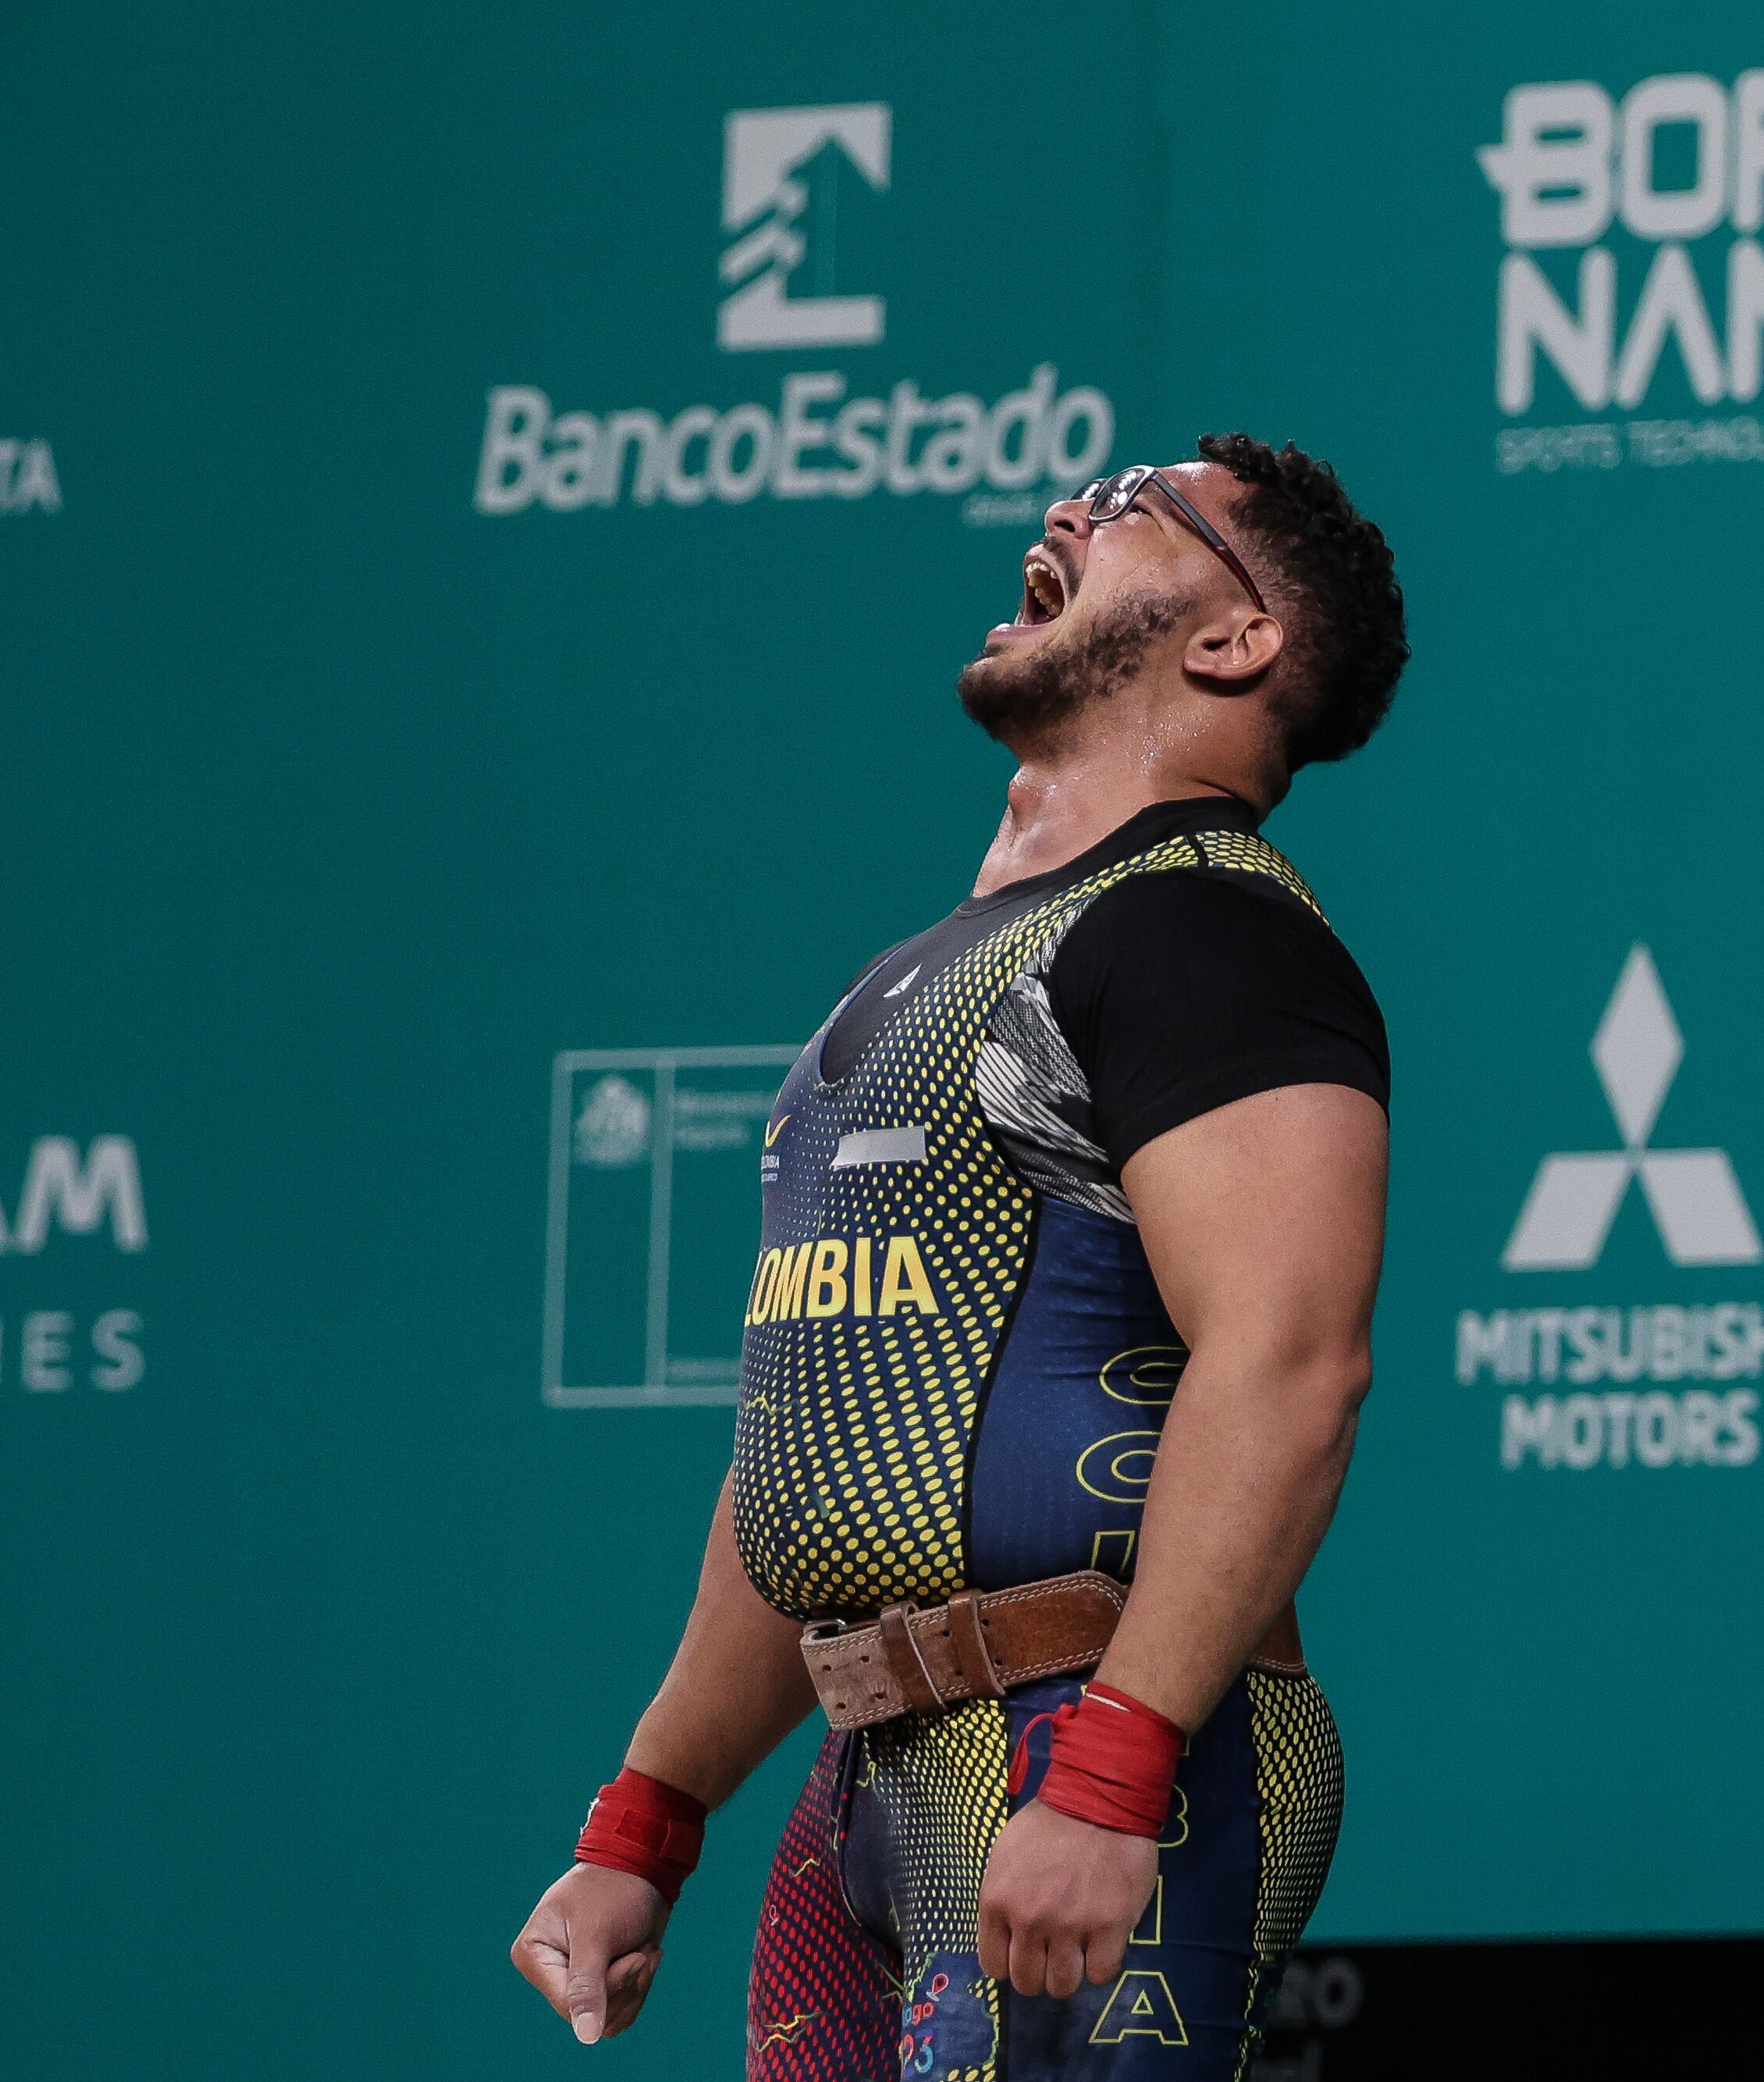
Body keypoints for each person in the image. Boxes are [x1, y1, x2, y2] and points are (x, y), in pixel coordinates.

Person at [511, 434, 1408, 2080]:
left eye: (1144, 499)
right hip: (877, 1768)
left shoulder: (1208, 928)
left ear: (1234, 640)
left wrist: (1117, 1766)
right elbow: (825, 1442)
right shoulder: (919, 973)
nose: (1073, 502)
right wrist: (650, 1806)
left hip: (1086, 1738)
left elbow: (1288, 1358)